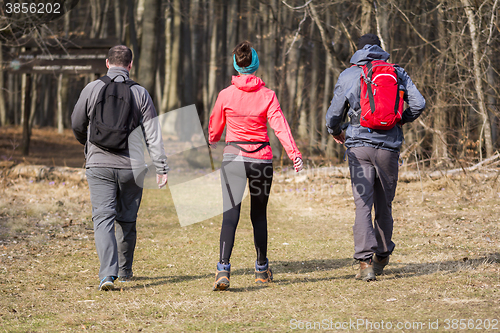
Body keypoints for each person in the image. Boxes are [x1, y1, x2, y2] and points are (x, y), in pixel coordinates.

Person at [326, 34, 426, 281]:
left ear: (358, 51)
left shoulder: (349, 75)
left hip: (359, 147)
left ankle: (365, 263)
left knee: (363, 203)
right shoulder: (397, 72)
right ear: (380, 51)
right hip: (388, 148)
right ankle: (382, 256)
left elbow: (334, 114)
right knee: (384, 202)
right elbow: (419, 103)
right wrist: (400, 119)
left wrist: (336, 131)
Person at [71, 45, 169, 291]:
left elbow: (76, 122)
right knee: (126, 219)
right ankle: (124, 272)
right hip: (132, 167)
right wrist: (161, 166)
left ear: (107, 63)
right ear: (130, 65)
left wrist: (89, 144)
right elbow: (153, 135)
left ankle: (107, 274)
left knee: (103, 218)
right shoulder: (140, 93)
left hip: (99, 165)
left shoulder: (92, 89)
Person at [209, 41, 303, 291]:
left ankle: (222, 270)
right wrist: (294, 154)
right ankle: (261, 270)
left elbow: (215, 127)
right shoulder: (268, 95)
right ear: (256, 64)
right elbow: (280, 125)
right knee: (258, 215)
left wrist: (212, 140)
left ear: (235, 65)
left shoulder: (225, 95)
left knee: (230, 216)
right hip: (261, 160)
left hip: (233, 160)